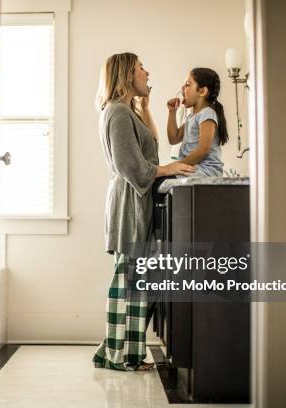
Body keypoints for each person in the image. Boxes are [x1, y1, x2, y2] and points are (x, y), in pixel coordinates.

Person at [92, 52, 194, 371]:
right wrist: (165, 169)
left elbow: (152, 143)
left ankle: (127, 354)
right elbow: (130, 165)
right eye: (140, 68)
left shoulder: (127, 112)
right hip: (129, 203)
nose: (147, 72)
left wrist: (147, 107)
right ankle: (116, 356)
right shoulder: (118, 112)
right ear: (126, 74)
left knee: (138, 281)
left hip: (136, 200)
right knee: (129, 280)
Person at [167, 67, 229, 176]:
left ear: (202, 91)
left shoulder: (207, 114)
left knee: (163, 179)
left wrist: (177, 166)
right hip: (194, 167)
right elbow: (174, 138)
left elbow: (203, 150)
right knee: (162, 180)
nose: (182, 88)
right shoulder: (191, 117)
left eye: (187, 84)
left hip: (207, 169)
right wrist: (172, 112)